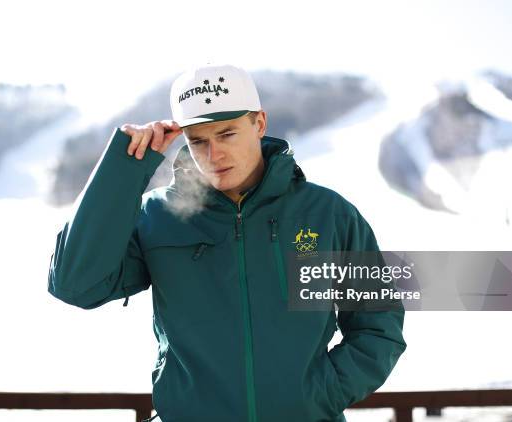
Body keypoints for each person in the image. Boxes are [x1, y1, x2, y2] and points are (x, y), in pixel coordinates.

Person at [47, 63, 407, 422]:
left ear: (259, 124)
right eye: (198, 140)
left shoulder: (328, 214)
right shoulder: (159, 217)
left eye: (227, 134)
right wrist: (122, 170)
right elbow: (75, 285)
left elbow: (379, 327)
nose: (213, 154)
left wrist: (319, 394)